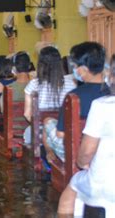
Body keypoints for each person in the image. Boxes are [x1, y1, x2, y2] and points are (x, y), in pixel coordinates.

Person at [57, 54, 115, 215]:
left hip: (107, 185)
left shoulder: (102, 105)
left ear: (112, 77)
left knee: (73, 185)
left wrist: (83, 164)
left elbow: (86, 152)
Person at [44, 42, 109, 162]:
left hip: (78, 153)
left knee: (48, 123)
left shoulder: (74, 96)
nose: (74, 70)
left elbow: (61, 134)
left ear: (84, 69)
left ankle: (50, 155)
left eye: (75, 66)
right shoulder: (111, 93)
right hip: (106, 150)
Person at [23, 47, 76, 145]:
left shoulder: (33, 84)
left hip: (39, 133)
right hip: (65, 133)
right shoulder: (72, 83)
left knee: (27, 134)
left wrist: (39, 125)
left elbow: (27, 114)